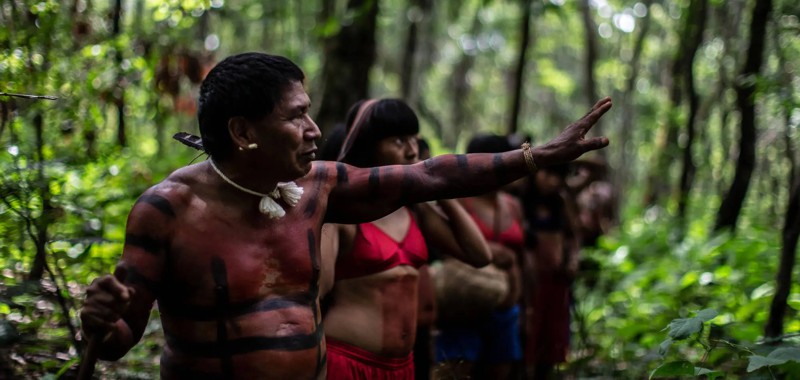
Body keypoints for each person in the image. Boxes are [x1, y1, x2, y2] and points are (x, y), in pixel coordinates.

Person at [78, 52, 612, 380]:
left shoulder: (318, 188)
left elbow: (429, 176)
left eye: (310, 113)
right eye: (297, 116)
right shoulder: (166, 211)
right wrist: (99, 319)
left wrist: (533, 156)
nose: (314, 130)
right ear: (243, 133)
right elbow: (119, 340)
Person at [319, 99, 492, 379]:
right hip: (348, 361)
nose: (412, 151)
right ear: (369, 147)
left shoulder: (417, 211)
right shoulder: (343, 213)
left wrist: (438, 186)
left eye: (415, 140)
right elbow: (317, 291)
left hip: (403, 367)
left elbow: (479, 256)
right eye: (400, 141)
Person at [433, 134, 526, 380]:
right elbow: (444, 244)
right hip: (467, 303)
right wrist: (491, 252)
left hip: (507, 308)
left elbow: (523, 254)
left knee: (500, 371)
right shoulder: (460, 202)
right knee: (457, 370)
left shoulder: (513, 205)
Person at [523, 162, 580, 379]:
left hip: (556, 281)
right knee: (529, 336)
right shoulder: (522, 200)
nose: (553, 181)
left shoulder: (561, 202)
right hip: (529, 285)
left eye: (558, 176)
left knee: (552, 338)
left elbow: (574, 237)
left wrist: (573, 260)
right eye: (548, 174)